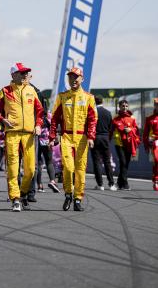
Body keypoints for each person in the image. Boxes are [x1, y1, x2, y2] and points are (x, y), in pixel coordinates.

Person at [0, 63, 43, 212]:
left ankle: (22, 193)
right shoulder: (5, 91)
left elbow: (40, 111)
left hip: (29, 135)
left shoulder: (31, 90)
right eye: (21, 73)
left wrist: (38, 125)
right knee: (13, 168)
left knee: (30, 170)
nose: (24, 76)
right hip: (12, 134)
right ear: (13, 75)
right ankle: (15, 199)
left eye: (25, 73)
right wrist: (2, 119)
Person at [49, 67, 97, 212]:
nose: (73, 79)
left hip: (82, 138)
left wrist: (91, 136)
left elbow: (93, 119)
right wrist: (52, 137)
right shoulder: (62, 96)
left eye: (76, 77)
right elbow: (54, 119)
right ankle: (68, 194)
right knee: (68, 168)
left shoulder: (89, 97)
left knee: (80, 170)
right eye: (70, 77)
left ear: (82, 79)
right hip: (67, 137)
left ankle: (77, 199)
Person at [111, 99, 140, 191]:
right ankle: (125, 183)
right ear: (119, 107)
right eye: (123, 106)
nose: (125, 108)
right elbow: (110, 131)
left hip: (129, 143)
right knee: (123, 162)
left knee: (126, 164)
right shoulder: (115, 119)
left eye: (126, 106)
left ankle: (119, 183)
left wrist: (130, 129)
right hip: (119, 143)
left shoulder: (132, 118)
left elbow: (136, 129)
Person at [91, 95, 117, 191]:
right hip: (105, 137)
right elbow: (111, 127)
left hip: (94, 138)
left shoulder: (92, 112)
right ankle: (111, 184)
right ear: (102, 101)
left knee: (97, 161)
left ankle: (100, 184)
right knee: (107, 161)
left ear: (94, 102)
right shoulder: (108, 113)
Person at [35, 110, 60, 194]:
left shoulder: (35, 114)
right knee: (49, 162)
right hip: (47, 141)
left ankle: (40, 185)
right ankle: (52, 181)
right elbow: (54, 126)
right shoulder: (49, 115)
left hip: (37, 141)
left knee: (38, 163)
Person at [143, 98, 158, 191]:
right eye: (157, 105)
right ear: (155, 106)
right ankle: (156, 180)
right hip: (155, 142)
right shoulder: (149, 119)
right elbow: (145, 134)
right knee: (157, 160)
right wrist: (146, 145)